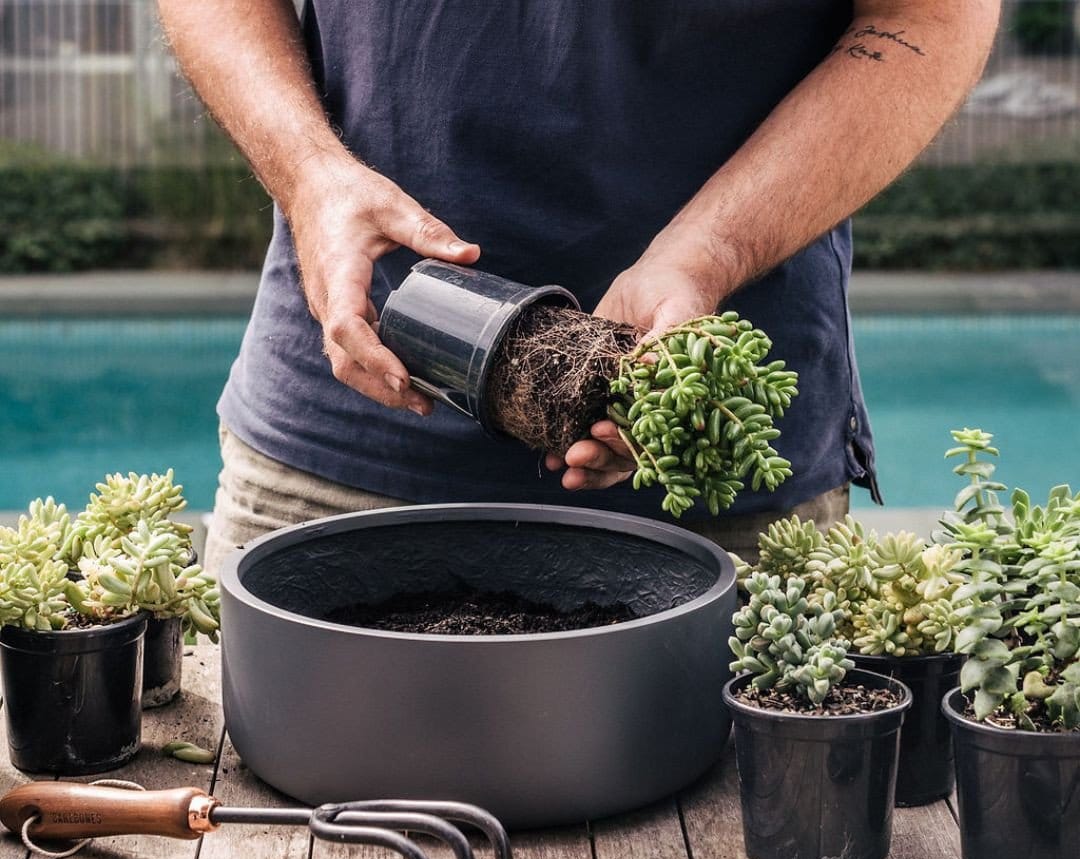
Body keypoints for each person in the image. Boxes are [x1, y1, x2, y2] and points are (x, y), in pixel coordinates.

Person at [156, 1, 1002, 573]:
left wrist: (704, 255)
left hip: (704, 457)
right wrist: (310, 178)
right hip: (335, 451)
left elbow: (928, 15)